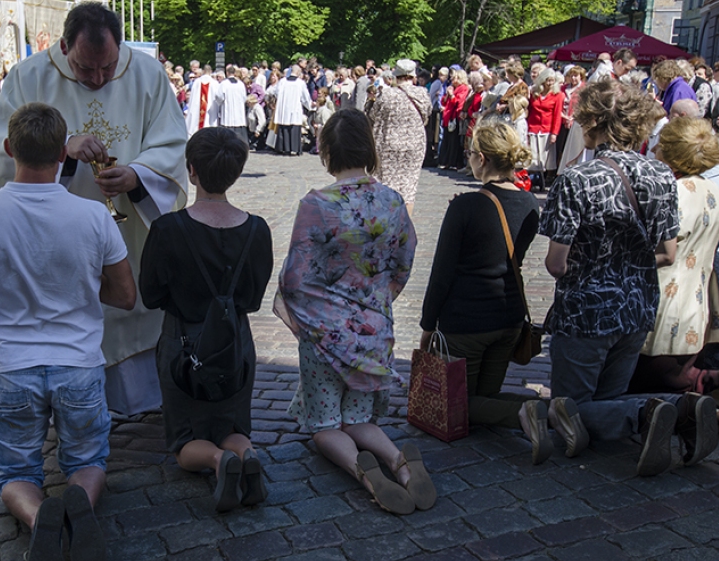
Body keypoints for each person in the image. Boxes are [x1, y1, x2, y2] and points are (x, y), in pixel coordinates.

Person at [0, 103, 136, 561]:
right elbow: (125, 296)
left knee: (17, 471)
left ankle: (36, 514)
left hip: (12, 367)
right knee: (88, 460)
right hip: (78, 364)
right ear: (62, 151)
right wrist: (77, 283)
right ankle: (77, 504)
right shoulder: (93, 215)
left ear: (9, 149)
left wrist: (1, 276)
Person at [0, 3, 188, 417]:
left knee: (127, 305)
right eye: (84, 68)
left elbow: (171, 143)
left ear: (120, 47)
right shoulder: (29, 77)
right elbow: (5, 149)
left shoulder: (147, 75)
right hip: (53, 229)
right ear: (63, 46)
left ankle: (132, 401)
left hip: (128, 227)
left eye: (107, 68)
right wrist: (64, 148)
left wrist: (137, 175)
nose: (96, 79)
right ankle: (64, 407)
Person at [540, 81, 718, 477]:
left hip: (587, 310)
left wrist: (597, 269)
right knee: (606, 402)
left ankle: (652, 411)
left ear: (593, 122)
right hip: (638, 305)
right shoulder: (659, 175)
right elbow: (668, 252)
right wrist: (626, 266)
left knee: (568, 407)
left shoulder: (577, 178)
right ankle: (676, 409)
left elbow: (556, 263)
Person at [276, 109, 435, 515]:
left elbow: (294, 277)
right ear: (370, 148)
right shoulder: (393, 200)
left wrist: (304, 315)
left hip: (324, 332)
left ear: (327, 151)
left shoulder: (316, 204)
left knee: (326, 425)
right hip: (374, 332)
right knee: (361, 419)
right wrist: (376, 304)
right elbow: (403, 264)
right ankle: (398, 460)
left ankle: (362, 471)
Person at [420, 119, 573, 463]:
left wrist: (428, 327)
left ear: (484, 158)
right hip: (509, 316)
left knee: (457, 405)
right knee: (485, 397)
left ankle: (527, 414)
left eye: (471, 153)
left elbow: (441, 273)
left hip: (467, 320)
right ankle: (554, 409)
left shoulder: (466, 205)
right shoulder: (531, 203)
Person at [140, 128, 273, 512]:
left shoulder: (167, 229)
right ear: (236, 172)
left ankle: (217, 461)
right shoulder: (257, 229)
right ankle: (243, 455)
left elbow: (151, 296)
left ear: (192, 170)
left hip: (183, 342)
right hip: (236, 342)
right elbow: (252, 298)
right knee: (232, 426)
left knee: (184, 441)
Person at [628, 117, 719, 396]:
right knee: (676, 383)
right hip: (695, 308)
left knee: (646, 390)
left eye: (661, 142)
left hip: (664, 308)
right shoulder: (711, 188)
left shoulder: (676, 192)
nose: (655, 148)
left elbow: (663, 251)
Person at [369, 59, 431, 214]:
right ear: (413, 76)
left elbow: (372, 114)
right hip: (414, 145)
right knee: (409, 186)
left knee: (387, 183)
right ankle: (405, 225)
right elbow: (427, 113)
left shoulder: (387, 94)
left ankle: (386, 222)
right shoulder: (422, 94)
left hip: (389, 143)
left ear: (396, 76)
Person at [527, 68, 563, 191]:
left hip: (547, 129)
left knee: (544, 159)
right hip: (533, 127)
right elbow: (530, 110)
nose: (550, 83)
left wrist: (554, 133)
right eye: (548, 80)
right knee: (533, 156)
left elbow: (557, 115)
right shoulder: (534, 93)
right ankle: (532, 180)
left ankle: (542, 181)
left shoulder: (558, 95)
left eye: (552, 81)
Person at [267, 65, 312, 156]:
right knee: (293, 126)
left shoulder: (282, 82)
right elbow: (305, 97)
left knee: (284, 127)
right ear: (298, 72)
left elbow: (275, 91)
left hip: (284, 110)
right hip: (295, 108)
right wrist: (310, 106)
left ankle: (284, 148)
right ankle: (295, 148)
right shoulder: (300, 83)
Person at [215, 64, 249, 146]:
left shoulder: (224, 84)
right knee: (239, 125)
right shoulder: (241, 84)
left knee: (228, 124)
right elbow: (244, 97)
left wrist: (220, 103)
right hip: (239, 112)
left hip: (228, 111)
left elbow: (219, 96)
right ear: (235, 73)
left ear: (227, 73)